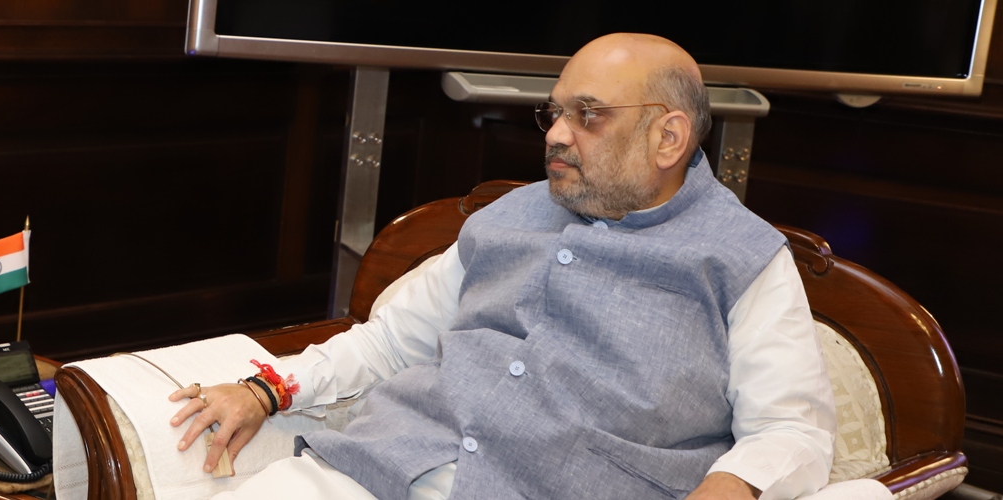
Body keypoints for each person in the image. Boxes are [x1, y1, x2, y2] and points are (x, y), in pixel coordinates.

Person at [168, 33, 834, 500]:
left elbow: (791, 428)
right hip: (378, 471)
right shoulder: (508, 217)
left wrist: (734, 484)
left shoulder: (744, 260)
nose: (554, 134)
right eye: (555, 112)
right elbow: (388, 340)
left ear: (668, 137)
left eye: (588, 116)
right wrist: (265, 390)